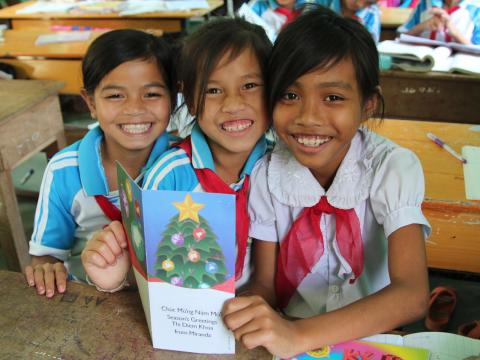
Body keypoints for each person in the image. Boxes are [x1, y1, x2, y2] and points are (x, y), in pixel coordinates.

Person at [222, 7, 430, 358]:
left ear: (367, 104)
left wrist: (297, 334)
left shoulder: (391, 168)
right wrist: (248, 310)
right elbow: (265, 285)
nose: (308, 117)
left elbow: (412, 295)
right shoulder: (265, 174)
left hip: (372, 340)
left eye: (333, 97)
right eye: (290, 95)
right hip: (290, 339)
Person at [81, 17, 272, 292]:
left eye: (250, 85)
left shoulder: (278, 168)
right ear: (191, 100)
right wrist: (116, 277)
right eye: (213, 90)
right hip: (188, 321)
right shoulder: (169, 176)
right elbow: (152, 272)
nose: (233, 104)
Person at [24, 29, 177, 297]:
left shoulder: (183, 166)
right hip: (91, 302)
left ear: (173, 99)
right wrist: (47, 268)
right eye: (115, 96)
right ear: (90, 102)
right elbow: (46, 257)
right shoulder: (64, 172)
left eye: (152, 94)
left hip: (167, 305)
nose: (134, 109)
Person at [397, 0, 480, 45]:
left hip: (460, 71)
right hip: (422, 68)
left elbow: (477, 51)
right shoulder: (425, 3)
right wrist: (421, 27)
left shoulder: (476, 9)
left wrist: (455, 33)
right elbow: (400, 37)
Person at [313, 0, 382, 42]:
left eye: (368, 2)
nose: (359, 5)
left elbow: (369, 52)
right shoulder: (319, 2)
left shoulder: (371, 14)